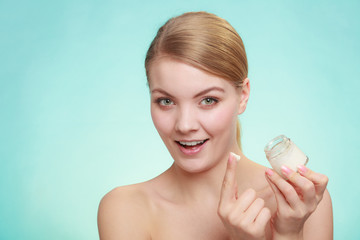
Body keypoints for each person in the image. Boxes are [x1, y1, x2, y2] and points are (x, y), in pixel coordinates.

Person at [97, 11, 333, 240]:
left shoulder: (301, 202)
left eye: (208, 100)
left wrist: (289, 233)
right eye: (166, 101)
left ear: (243, 96)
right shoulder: (124, 209)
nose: (185, 125)